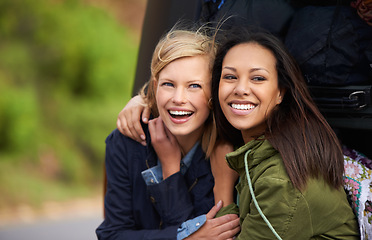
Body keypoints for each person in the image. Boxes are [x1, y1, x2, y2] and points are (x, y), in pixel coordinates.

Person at [210, 28, 360, 239]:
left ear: (281, 92)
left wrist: (222, 186)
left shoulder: (280, 181)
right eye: (230, 76)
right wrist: (148, 100)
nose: (241, 88)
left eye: (258, 78)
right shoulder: (282, 140)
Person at [96, 26, 240, 240]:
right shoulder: (127, 142)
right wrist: (187, 237)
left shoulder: (226, 150)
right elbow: (112, 235)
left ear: (214, 91)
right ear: (155, 87)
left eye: (194, 86)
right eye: (168, 84)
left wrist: (171, 171)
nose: (179, 98)